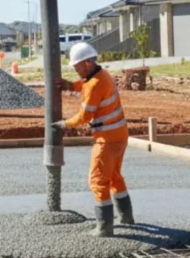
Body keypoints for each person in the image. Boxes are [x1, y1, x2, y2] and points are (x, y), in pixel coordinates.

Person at [52, 42, 133, 237]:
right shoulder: (102, 75)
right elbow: (88, 85)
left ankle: (104, 227)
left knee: (97, 180)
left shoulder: (94, 84)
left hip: (106, 139)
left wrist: (65, 124)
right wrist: (71, 86)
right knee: (114, 176)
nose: (76, 69)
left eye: (77, 66)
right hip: (120, 136)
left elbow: (85, 116)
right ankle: (126, 218)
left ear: (87, 63)